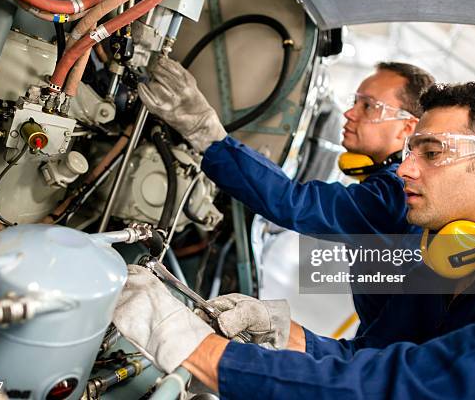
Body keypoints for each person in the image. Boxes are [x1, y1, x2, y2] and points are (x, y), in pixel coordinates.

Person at [114, 82, 475, 398]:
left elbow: (395, 388)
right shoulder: (442, 258)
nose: (404, 170)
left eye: (432, 153)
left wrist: (193, 348)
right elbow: (372, 356)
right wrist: (286, 333)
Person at [138, 57, 435, 331]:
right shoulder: (392, 187)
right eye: (355, 101)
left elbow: (295, 202)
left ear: (407, 128)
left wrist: (205, 132)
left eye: (368, 105)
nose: (349, 112)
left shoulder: (395, 193)